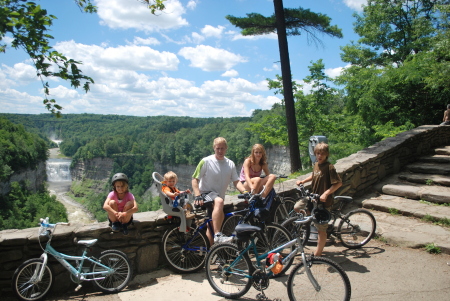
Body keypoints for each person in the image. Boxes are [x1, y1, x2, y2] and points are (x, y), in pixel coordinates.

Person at [192, 137, 247, 245]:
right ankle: (218, 235)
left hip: (218, 197)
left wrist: (245, 192)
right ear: (214, 148)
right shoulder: (206, 161)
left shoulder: (230, 163)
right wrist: (197, 195)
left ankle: (210, 254)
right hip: (206, 194)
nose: (220, 151)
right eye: (218, 148)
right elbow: (195, 179)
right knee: (219, 202)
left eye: (222, 148)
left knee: (211, 225)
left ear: (226, 148)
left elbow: (236, 182)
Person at [295, 142, 342, 256]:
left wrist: (326, 193)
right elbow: (314, 175)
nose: (319, 156)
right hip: (313, 198)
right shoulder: (316, 164)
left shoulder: (329, 167)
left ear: (326, 155)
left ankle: (318, 254)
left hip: (324, 202)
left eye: (322, 154)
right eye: (317, 153)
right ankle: (312, 221)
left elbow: (338, 183)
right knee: (297, 207)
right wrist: (303, 181)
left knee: (321, 230)